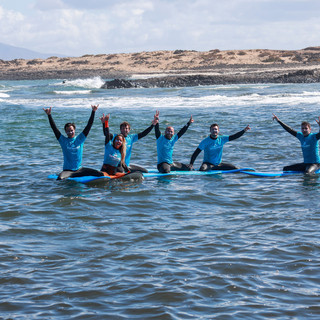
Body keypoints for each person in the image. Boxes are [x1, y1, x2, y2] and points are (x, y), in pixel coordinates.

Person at [43, 105, 103, 180]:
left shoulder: (80, 139)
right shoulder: (63, 140)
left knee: (100, 174)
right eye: (68, 131)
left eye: (71, 130)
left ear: (74, 130)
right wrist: (49, 115)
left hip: (79, 170)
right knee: (60, 178)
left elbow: (89, 125)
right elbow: (54, 128)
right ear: (65, 132)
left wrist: (93, 111)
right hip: (68, 170)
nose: (70, 132)